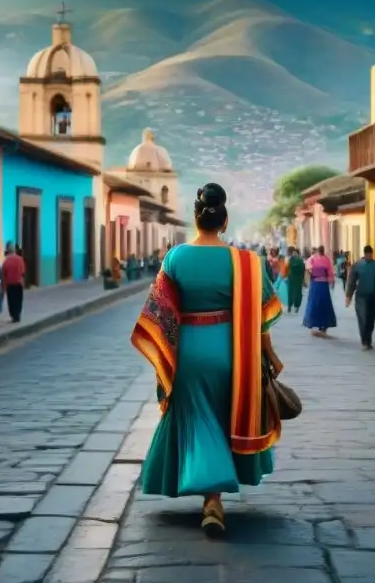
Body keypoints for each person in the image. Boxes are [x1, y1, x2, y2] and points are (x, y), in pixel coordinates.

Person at [131, 183, 285, 537]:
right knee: (223, 414)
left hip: (188, 353)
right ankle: (213, 495)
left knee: (198, 415)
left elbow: (158, 313)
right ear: (225, 220)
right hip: (234, 353)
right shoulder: (247, 262)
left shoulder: (176, 258)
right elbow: (261, 318)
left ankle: (211, 495)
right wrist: (271, 355)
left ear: (195, 219)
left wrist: (163, 355)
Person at [345, 245, 375, 350]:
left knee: (371, 320)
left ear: (372, 254)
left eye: (370, 254)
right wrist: (348, 296)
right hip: (361, 297)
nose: (369, 256)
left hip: (374, 297)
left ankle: (368, 339)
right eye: (367, 254)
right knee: (363, 318)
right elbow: (351, 281)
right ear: (365, 254)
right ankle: (364, 341)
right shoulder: (357, 266)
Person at [303, 245, 337, 337]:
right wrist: (331, 281)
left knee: (315, 304)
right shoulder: (326, 260)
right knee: (323, 304)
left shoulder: (313, 258)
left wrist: (311, 272)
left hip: (316, 284)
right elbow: (330, 272)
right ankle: (323, 324)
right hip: (323, 285)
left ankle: (316, 323)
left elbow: (308, 267)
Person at [2, 242, 26, 323]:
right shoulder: (20, 259)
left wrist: (3, 286)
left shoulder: (6, 261)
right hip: (19, 283)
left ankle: (13, 316)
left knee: (11, 300)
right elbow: (23, 272)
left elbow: (3, 274)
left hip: (10, 284)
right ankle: (17, 315)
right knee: (18, 300)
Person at [284, 246, 305, 313]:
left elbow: (286, 269)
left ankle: (290, 306)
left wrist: (286, 276)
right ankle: (296, 307)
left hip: (291, 278)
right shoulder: (301, 260)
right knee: (298, 293)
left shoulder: (289, 260)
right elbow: (303, 270)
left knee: (290, 292)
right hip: (298, 278)